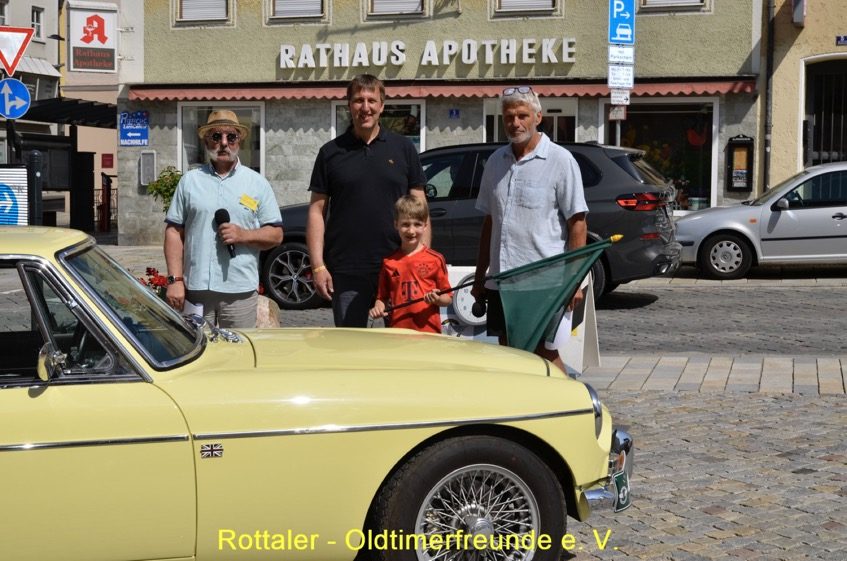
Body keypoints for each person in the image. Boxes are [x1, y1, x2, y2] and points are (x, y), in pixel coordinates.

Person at [471, 86, 588, 371]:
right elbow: (490, 222)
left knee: (543, 353)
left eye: (522, 115)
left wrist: (575, 282)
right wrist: (480, 277)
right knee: (508, 350)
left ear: (538, 117)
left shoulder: (560, 160)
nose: (515, 123)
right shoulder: (495, 162)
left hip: (543, 283)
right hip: (502, 281)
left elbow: (578, 224)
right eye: (509, 117)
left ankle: (567, 397)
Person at [307, 74, 428, 327]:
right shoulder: (330, 153)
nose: (365, 107)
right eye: (358, 100)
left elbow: (420, 207)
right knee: (351, 345)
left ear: (382, 106)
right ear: (349, 105)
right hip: (347, 270)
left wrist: (422, 260)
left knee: (403, 344)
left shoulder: (403, 148)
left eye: (372, 100)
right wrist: (318, 266)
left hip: (398, 266)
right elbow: (317, 211)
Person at [164, 109, 283, 328]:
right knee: (197, 347)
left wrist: (243, 235)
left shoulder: (257, 184)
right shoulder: (189, 181)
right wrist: (175, 280)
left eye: (231, 137)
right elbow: (173, 232)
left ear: (239, 141)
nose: (224, 143)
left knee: (239, 347)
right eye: (216, 136)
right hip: (196, 289)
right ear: (206, 141)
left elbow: (276, 234)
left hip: (239, 290)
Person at [369, 195, 452, 333]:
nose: (411, 231)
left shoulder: (435, 259)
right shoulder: (389, 262)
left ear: (425, 226)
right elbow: (382, 298)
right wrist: (378, 308)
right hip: (398, 332)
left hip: (428, 333)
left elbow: (448, 298)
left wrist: (437, 299)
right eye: (405, 224)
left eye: (417, 224)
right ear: (396, 224)